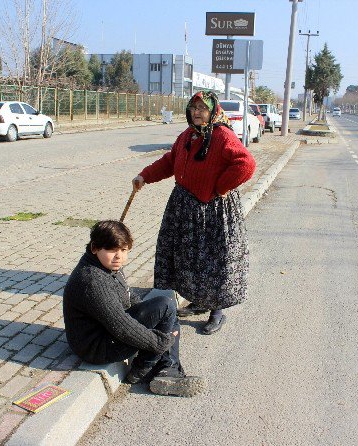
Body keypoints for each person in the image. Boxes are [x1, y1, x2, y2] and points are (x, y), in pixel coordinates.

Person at [132, 91, 256, 335]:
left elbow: (246, 164)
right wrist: (144, 176)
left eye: (202, 108)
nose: (197, 112)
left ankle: (216, 312)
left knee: (214, 261)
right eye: (193, 107)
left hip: (213, 211)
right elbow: (170, 161)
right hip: (185, 209)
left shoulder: (222, 135)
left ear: (213, 111)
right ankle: (200, 300)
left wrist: (221, 186)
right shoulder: (187, 135)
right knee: (190, 259)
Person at [62, 220, 204, 397]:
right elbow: (121, 326)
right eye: (112, 250)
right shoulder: (92, 280)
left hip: (105, 331)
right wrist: (159, 342)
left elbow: (128, 297)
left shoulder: (107, 266)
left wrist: (154, 318)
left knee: (166, 310)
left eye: (123, 250)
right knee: (166, 308)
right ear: (94, 248)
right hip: (96, 348)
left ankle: (162, 368)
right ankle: (149, 367)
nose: (119, 257)